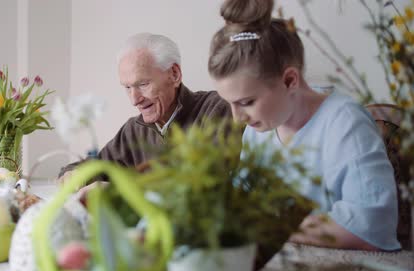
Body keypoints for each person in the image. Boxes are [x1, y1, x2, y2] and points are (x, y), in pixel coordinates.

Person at [207, 0, 400, 251]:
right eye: (230, 104)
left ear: (289, 80)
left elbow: (373, 225)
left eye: (247, 102)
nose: (237, 118)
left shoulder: (345, 123)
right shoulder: (260, 128)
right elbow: (243, 198)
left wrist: (271, 225)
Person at [58, 33, 230, 186]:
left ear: (174, 74)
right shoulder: (134, 129)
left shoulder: (217, 108)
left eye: (143, 84)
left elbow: (207, 184)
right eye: (127, 87)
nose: (134, 100)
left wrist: (120, 192)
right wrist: (74, 173)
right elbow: (98, 166)